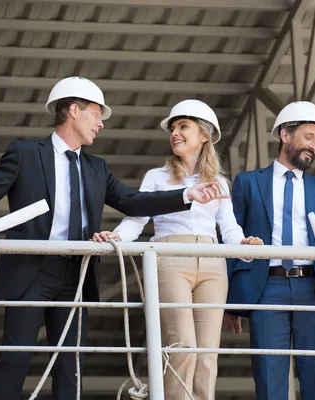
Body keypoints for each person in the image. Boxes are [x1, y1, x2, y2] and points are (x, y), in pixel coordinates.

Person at [0, 78, 228, 400]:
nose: (101, 124)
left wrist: (186, 194)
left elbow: (133, 202)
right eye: (97, 114)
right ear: (74, 110)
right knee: (15, 359)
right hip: (30, 269)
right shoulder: (26, 153)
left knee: (70, 365)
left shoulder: (96, 167)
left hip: (76, 274)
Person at [92, 99, 263, 400]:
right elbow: (136, 218)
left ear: (205, 135)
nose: (175, 133)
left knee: (207, 355)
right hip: (169, 260)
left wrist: (244, 245)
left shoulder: (219, 182)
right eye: (173, 128)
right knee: (181, 347)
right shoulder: (156, 177)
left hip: (213, 263)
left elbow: (229, 229)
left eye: (183, 126)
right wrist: (116, 237)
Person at [224, 101, 315, 400]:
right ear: (285, 135)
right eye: (308, 137)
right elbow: (230, 239)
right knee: (268, 379)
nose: (314, 146)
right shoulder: (248, 182)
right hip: (266, 287)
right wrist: (232, 300)